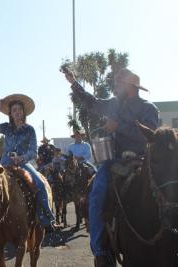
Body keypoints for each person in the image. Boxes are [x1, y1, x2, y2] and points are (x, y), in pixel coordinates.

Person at [64, 68, 159, 266]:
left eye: (118, 83)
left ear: (130, 87)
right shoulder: (114, 104)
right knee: (97, 193)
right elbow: (92, 102)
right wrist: (74, 82)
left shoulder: (149, 108)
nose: (115, 86)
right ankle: (101, 250)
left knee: (168, 189)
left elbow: (149, 136)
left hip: (143, 160)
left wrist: (118, 127)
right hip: (114, 161)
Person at [0, 94, 59, 234]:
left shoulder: (30, 130)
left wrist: (22, 158)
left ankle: (47, 219)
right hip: (4, 164)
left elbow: (33, 151)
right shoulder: (7, 128)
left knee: (40, 184)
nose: (17, 112)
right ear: (10, 113)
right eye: (14, 110)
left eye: (19, 109)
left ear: (23, 112)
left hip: (22, 164)